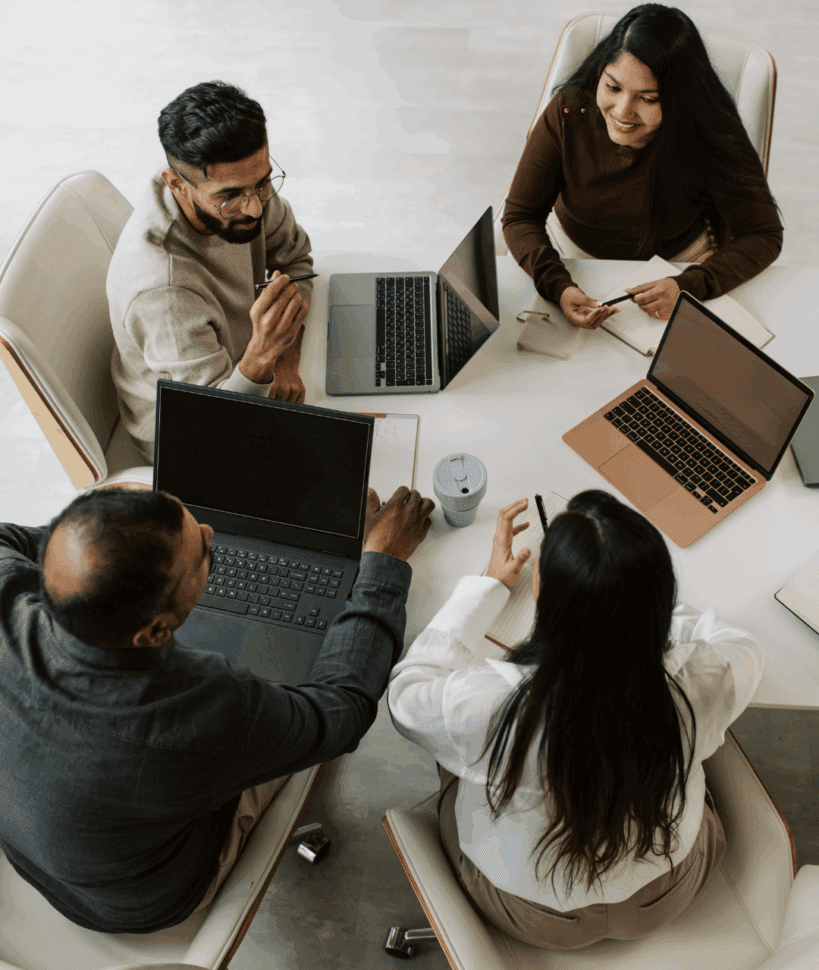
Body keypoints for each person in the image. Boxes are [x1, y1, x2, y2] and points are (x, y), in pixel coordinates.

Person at [0, 480, 434, 933]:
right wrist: (382, 564)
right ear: (154, 631)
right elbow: (341, 712)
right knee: (293, 689)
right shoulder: (201, 710)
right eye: (203, 556)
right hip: (141, 901)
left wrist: (109, 544)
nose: (210, 532)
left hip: (33, 853)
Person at [388, 491, 763, 949]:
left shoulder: (491, 706)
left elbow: (406, 695)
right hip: (668, 892)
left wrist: (488, 586)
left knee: (454, 752)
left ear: (545, 596)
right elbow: (743, 647)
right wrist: (637, 603)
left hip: (535, 914)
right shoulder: (703, 676)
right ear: (658, 597)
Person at [502, 3, 783, 329]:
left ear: (679, 98)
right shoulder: (569, 110)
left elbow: (763, 234)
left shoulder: (708, 127)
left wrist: (688, 286)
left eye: (647, 99)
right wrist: (558, 286)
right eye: (612, 87)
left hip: (679, 262)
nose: (623, 112)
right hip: (570, 255)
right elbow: (520, 216)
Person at [107, 80, 313, 462]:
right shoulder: (163, 293)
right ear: (177, 184)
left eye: (264, 181)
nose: (254, 208)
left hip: (246, 369)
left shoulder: (243, 185)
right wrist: (264, 355)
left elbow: (295, 259)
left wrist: (286, 358)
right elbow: (216, 427)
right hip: (193, 439)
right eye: (229, 196)